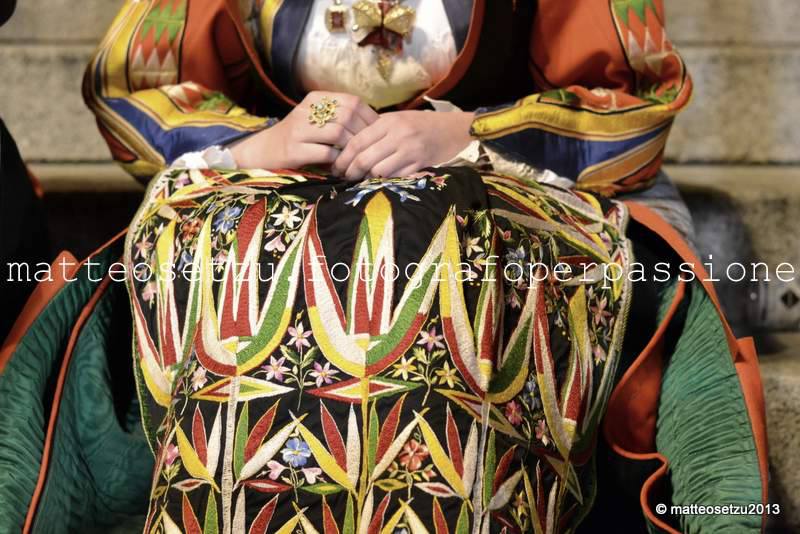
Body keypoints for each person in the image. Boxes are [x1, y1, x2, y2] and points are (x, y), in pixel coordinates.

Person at [0, 1, 766, 533]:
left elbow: (634, 96)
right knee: (248, 245)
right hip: (280, 171)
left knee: (434, 247)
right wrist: (259, 144)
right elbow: (140, 86)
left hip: (503, 176)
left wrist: (471, 134)